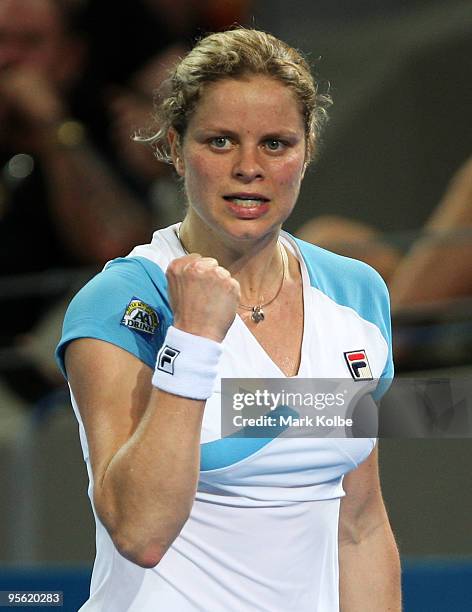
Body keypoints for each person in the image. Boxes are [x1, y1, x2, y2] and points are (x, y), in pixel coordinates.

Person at [56, 29, 401, 611]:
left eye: (275, 143)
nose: (249, 168)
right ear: (174, 145)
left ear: (307, 148)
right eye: (220, 142)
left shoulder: (356, 293)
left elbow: (359, 525)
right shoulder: (119, 303)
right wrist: (192, 341)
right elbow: (140, 531)